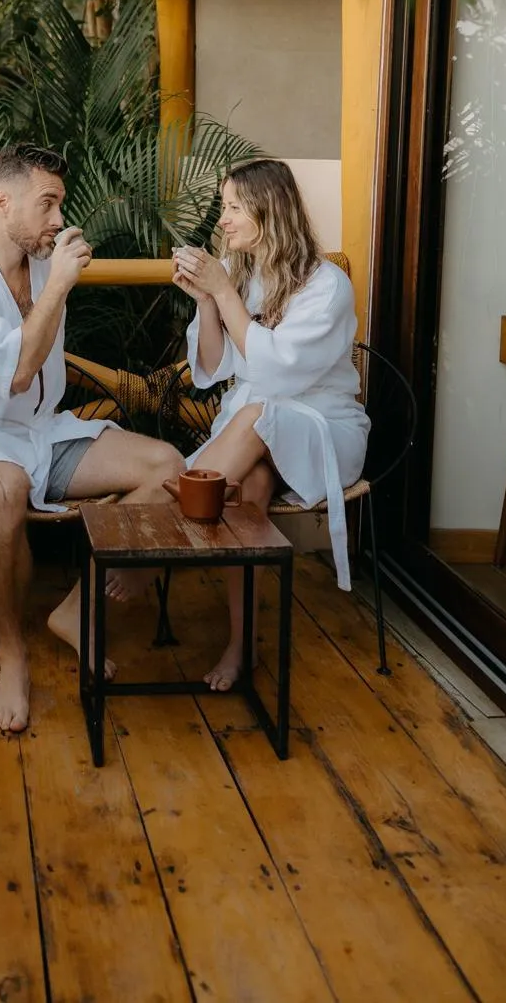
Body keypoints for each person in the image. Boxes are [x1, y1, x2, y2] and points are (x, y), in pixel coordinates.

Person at [0, 143, 183, 734]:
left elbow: (34, 385)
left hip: (41, 432)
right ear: (2, 202)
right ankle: (13, 654)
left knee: (168, 464)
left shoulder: (37, 268)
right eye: (48, 204)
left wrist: (50, 278)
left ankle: (76, 610)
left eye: (60, 203)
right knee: (6, 493)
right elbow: (16, 373)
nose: (59, 219)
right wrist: (59, 285)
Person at [172, 158, 369, 691]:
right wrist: (208, 301)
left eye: (234, 207)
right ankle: (242, 645)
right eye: (224, 206)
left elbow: (277, 375)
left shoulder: (326, 285)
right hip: (256, 434)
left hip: (323, 428)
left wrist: (226, 292)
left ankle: (150, 546)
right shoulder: (244, 275)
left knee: (260, 413)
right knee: (247, 493)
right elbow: (212, 371)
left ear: (269, 209)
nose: (224, 219)